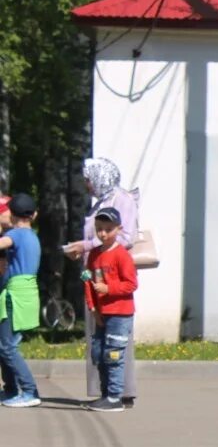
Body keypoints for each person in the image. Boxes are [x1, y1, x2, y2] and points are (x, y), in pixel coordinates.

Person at [65, 159, 141, 407]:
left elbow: (125, 237)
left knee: (116, 343)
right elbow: (96, 236)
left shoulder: (121, 199)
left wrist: (86, 246)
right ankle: (106, 391)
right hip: (95, 276)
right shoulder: (100, 200)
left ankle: (119, 394)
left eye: (89, 178)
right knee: (98, 341)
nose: (87, 184)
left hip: (111, 281)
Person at [83, 208, 139, 413]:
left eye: (108, 229)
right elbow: (87, 282)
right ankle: (105, 394)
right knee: (98, 352)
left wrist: (109, 289)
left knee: (113, 354)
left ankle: (115, 397)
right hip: (101, 312)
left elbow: (131, 284)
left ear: (118, 229)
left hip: (120, 312)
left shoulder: (121, 255)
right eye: (99, 229)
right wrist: (93, 307)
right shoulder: (94, 255)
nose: (103, 234)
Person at [0, 193, 43, 407]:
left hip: (15, 294)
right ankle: (10, 389)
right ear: (34, 214)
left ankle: (29, 391)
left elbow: (4, 242)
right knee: (4, 344)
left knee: (7, 347)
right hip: (25, 292)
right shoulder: (32, 235)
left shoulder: (16, 235)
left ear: (12, 215)